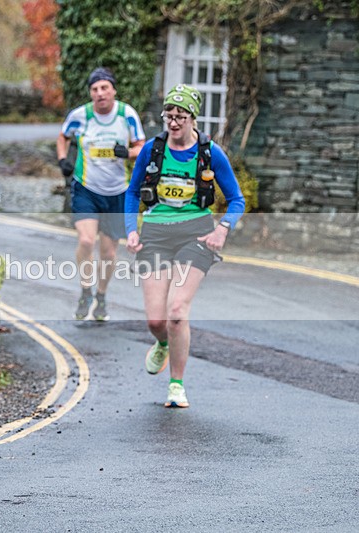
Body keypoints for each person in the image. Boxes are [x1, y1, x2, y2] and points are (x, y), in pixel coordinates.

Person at [125, 84, 245, 408]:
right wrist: (131, 231)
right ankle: (162, 343)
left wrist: (222, 229)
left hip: (197, 234)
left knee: (177, 312)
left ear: (193, 118)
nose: (174, 123)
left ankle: (176, 385)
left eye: (180, 117)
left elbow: (236, 199)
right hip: (155, 234)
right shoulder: (153, 149)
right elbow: (132, 192)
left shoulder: (209, 153)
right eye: (169, 116)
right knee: (155, 320)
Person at [56, 67, 146, 322]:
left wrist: (127, 153)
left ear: (113, 90)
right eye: (95, 89)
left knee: (108, 253)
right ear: (91, 94)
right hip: (86, 188)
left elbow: (142, 146)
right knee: (86, 241)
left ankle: (102, 295)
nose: (100, 93)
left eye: (104, 88)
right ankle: (86, 290)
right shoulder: (81, 115)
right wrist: (63, 159)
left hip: (117, 192)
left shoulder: (127, 115)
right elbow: (62, 136)